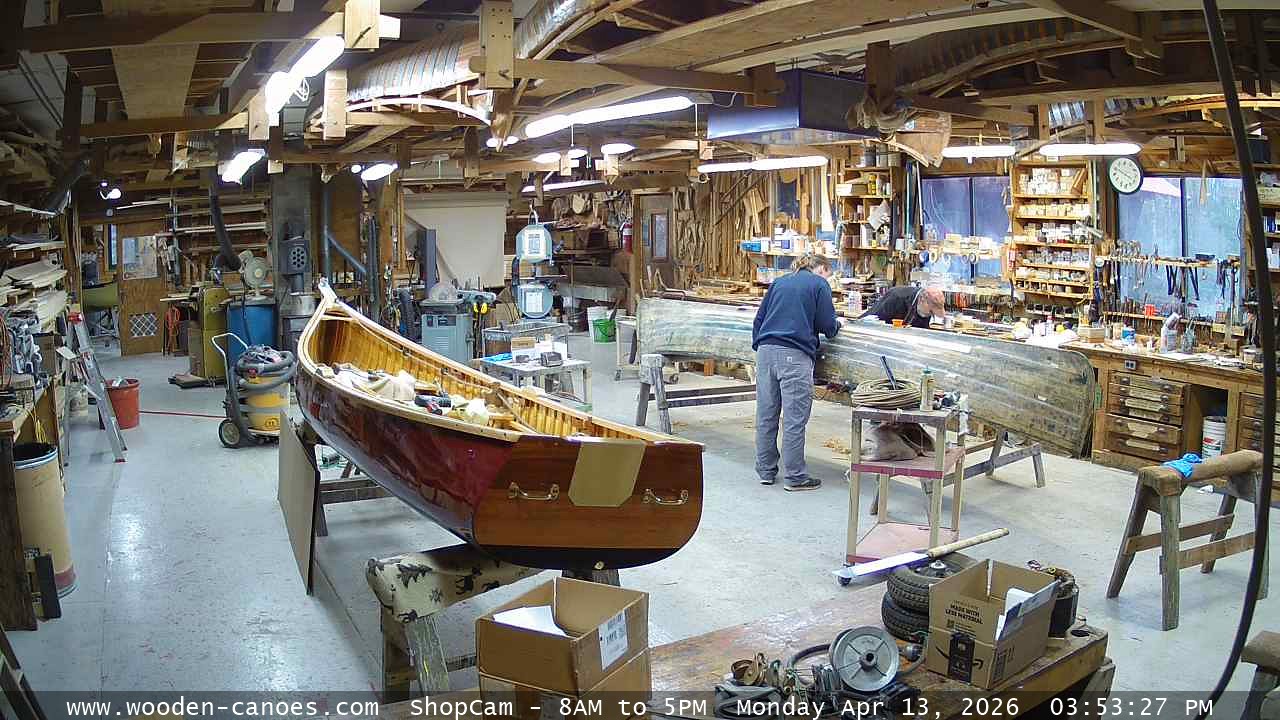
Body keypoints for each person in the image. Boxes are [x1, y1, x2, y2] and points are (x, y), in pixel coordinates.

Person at [751, 253, 841, 491]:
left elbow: (758, 320)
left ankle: (766, 471)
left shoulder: (780, 282)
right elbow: (828, 326)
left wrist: (762, 347)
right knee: (794, 419)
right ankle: (795, 476)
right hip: (794, 355)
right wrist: (837, 326)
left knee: (766, 415)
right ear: (821, 269)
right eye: (828, 275)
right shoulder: (818, 284)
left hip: (765, 352)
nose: (827, 280)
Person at [861, 286, 946, 329]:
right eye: (931, 312)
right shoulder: (896, 297)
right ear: (922, 300)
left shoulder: (924, 308)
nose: (931, 315)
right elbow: (871, 322)